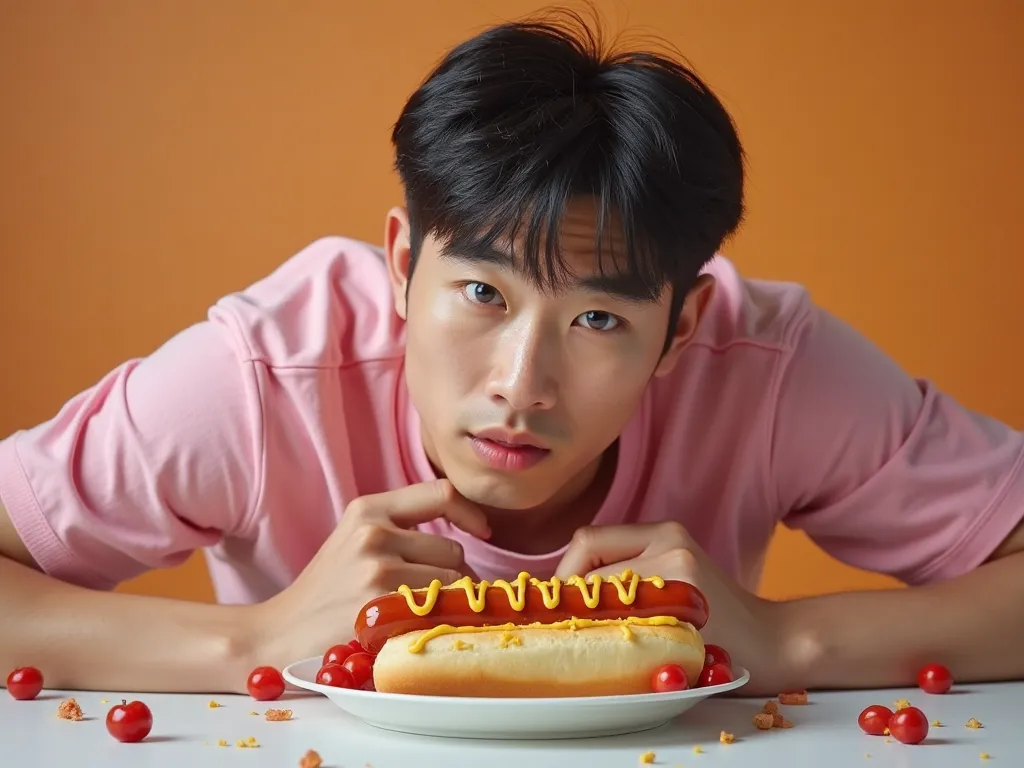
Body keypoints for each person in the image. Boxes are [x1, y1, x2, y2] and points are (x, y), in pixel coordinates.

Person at [2, 9, 1022, 698]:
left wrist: (781, 639)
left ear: (684, 327)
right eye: (482, 293)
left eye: (598, 320)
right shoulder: (267, 372)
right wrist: (256, 643)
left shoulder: (770, 365)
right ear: (402, 264)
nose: (518, 388)